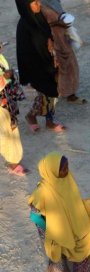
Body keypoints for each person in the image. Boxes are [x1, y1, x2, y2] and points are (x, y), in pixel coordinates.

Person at [28, 152, 90, 272]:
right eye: (63, 169)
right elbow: (34, 214)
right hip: (57, 234)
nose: (66, 171)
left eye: (67, 167)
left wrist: (88, 203)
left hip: (76, 229)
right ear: (51, 171)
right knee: (59, 262)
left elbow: (73, 203)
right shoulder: (42, 192)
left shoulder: (67, 180)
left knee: (82, 251)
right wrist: (52, 231)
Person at [15, 0, 65, 133]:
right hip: (37, 69)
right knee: (45, 95)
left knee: (52, 94)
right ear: (25, 6)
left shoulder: (39, 17)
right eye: (34, 2)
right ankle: (32, 115)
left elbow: (48, 36)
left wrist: (51, 43)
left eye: (38, 1)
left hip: (49, 64)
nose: (39, 4)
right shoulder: (24, 27)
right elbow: (24, 54)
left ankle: (49, 120)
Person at [40, 0, 86, 104]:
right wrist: (59, 23)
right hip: (53, 41)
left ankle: (68, 92)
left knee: (69, 65)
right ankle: (66, 93)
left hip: (62, 38)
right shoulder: (39, 5)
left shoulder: (52, 2)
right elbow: (41, 24)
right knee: (63, 67)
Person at [0, 42, 27, 176]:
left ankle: (14, 159)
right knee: (5, 135)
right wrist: (4, 79)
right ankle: (13, 161)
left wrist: (9, 77)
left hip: (7, 103)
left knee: (12, 130)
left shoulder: (1, 58)